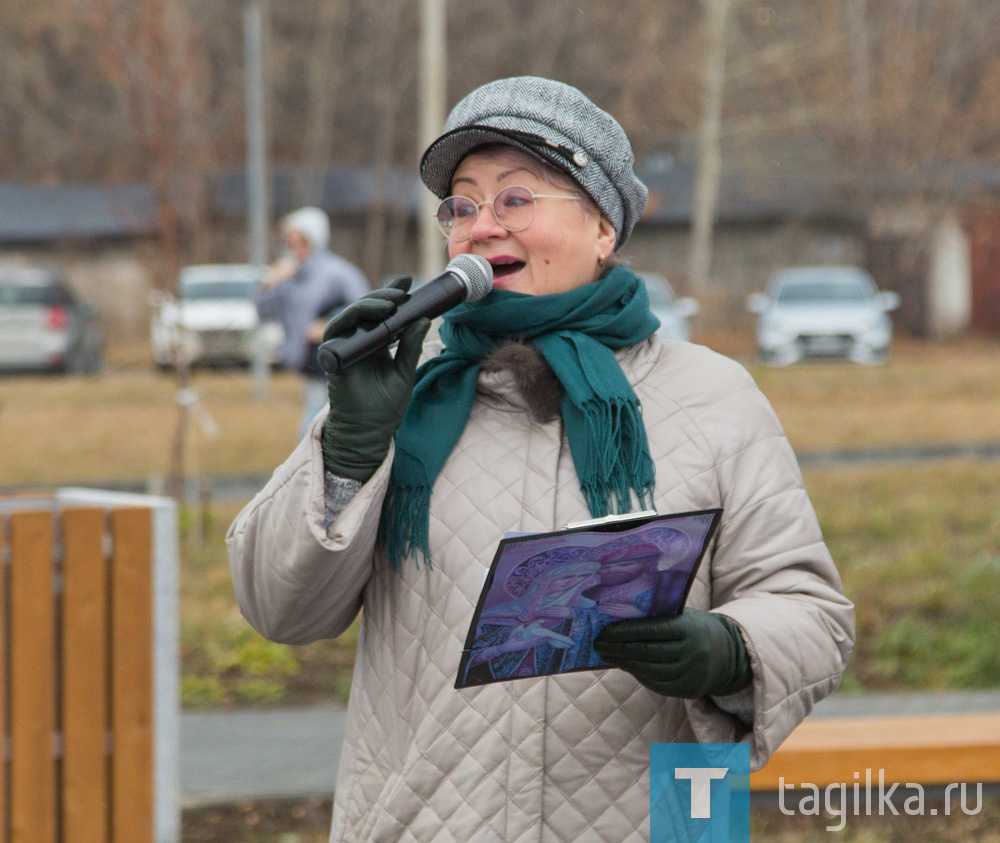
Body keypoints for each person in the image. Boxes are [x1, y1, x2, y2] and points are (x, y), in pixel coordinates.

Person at [228, 76, 854, 841]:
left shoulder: (714, 398)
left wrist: (729, 652)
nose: (483, 226)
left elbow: (813, 612)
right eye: (462, 205)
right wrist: (350, 445)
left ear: (602, 228)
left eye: (516, 199)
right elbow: (277, 606)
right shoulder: (399, 390)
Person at [253, 205, 369, 437]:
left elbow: (365, 308)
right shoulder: (288, 274)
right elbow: (263, 312)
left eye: (301, 240)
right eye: (290, 241)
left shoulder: (337, 273)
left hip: (336, 362)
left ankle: (307, 467)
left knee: (313, 425)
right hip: (307, 364)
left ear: (315, 239)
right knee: (320, 420)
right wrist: (269, 283)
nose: (295, 246)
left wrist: (329, 325)